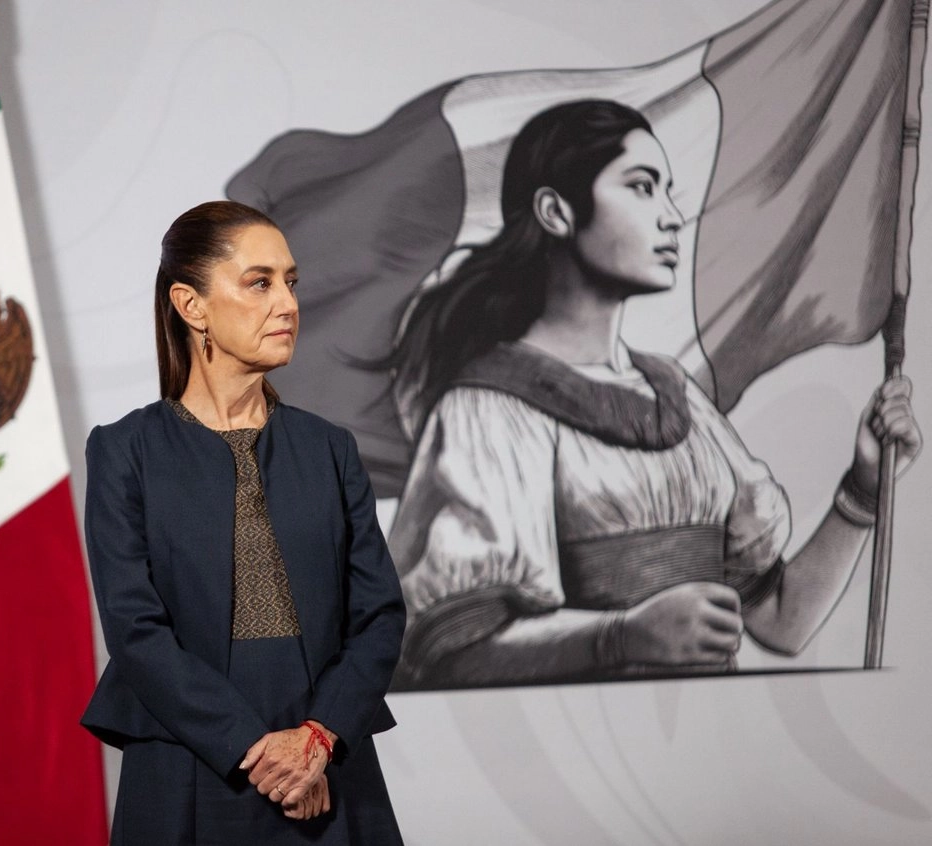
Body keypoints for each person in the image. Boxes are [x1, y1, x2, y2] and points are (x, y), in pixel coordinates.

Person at [386, 100, 922, 689]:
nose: (671, 217)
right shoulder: (487, 411)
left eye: (669, 191)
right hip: (569, 760)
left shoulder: (679, 397)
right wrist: (622, 636)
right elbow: (448, 654)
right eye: (642, 188)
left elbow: (780, 622)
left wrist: (863, 490)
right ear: (555, 212)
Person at [82, 200, 406, 844]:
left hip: (328, 766)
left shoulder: (329, 448)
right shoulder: (125, 450)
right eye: (259, 282)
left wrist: (316, 739)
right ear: (191, 304)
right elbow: (136, 631)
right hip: (187, 765)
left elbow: (379, 617)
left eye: (290, 282)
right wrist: (260, 754)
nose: (286, 303)